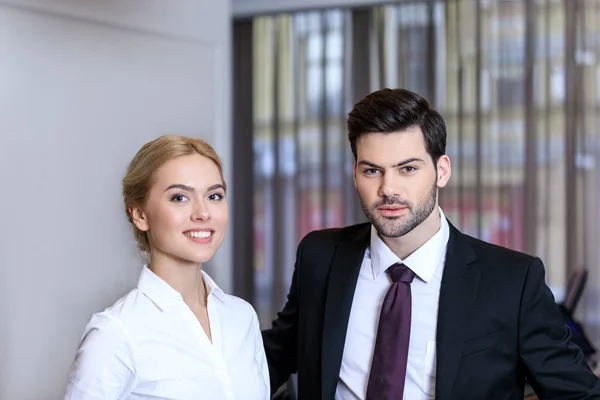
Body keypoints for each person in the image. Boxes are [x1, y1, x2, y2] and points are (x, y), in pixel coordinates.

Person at [262, 89, 600, 399]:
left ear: (442, 171)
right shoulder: (321, 257)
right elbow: (267, 360)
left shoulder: (512, 281)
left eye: (407, 168)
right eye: (371, 171)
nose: (388, 189)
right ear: (354, 174)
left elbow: (580, 395)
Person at [64, 135, 269, 400]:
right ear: (140, 214)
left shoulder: (242, 318)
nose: (203, 213)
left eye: (214, 195)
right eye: (180, 198)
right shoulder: (115, 334)